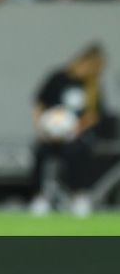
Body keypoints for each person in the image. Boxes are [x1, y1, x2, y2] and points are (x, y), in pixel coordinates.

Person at [29, 44, 111, 217]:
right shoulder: (58, 78)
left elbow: (94, 114)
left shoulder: (93, 87)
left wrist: (76, 129)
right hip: (50, 136)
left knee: (76, 153)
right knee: (39, 152)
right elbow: (39, 104)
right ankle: (40, 197)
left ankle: (79, 196)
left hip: (76, 136)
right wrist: (42, 130)